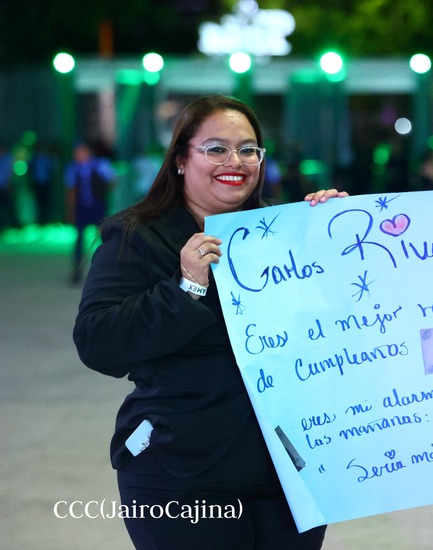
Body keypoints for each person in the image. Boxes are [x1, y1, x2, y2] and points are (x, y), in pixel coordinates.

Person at [73, 96, 347, 549]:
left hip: (289, 473)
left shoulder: (283, 234)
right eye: (216, 149)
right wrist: (185, 287)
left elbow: (345, 326)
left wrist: (337, 237)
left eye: (248, 150)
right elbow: (97, 343)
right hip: (181, 476)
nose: (234, 162)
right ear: (181, 159)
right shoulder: (138, 237)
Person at [64, 141, 116, 284]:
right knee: (79, 240)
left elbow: (112, 181)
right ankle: (77, 271)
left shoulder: (100, 165)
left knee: (104, 238)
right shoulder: (73, 169)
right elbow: (71, 191)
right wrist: (70, 210)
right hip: (82, 208)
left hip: (97, 207)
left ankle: (108, 270)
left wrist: (104, 195)